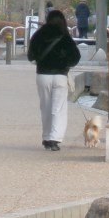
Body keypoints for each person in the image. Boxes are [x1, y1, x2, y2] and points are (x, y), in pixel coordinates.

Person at [27, 10, 80, 151]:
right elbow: (75, 57)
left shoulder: (38, 35)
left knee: (45, 106)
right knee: (58, 108)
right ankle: (54, 139)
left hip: (43, 75)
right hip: (60, 76)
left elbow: (31, 56)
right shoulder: (65, 37)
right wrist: (65, 64)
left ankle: (46, 137)